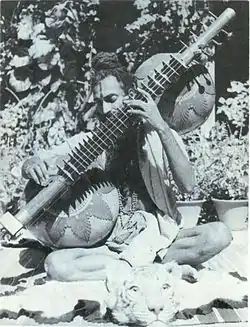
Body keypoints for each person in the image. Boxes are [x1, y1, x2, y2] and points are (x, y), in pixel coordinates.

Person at [21, 52, 232, 281]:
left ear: (129, 97)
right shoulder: (90, 142)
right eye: (98, 102)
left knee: (219, 234)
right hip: (108, 244)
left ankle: (130, 267)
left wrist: (160, 126)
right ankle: (147, 268)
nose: (105, 109)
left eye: (112, 99)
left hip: (157, 236)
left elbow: (189, 186)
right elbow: (37, 159)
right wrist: (31, 164)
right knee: (56, 264)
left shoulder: (158, 133)